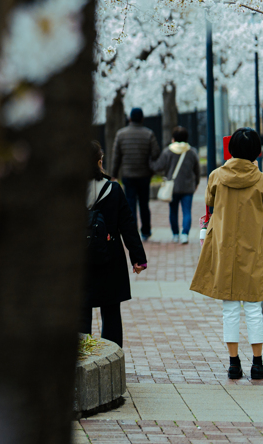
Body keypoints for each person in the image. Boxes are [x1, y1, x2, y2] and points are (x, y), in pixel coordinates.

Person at [190, 127, 263, 380]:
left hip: (224, 250)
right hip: (252, 252)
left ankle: (233, 364)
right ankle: (258, 364)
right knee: (252, 309)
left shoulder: (217, 176)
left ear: (231, 150)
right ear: (257, 153)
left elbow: (210, 200)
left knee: (229, 309)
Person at [83, 141, 148, 348]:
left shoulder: (67, 193)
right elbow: (128, 226)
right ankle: (111, 359)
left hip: (79, 260)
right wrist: (138, 259)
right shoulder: (114, 190)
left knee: (79, 312)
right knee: (110, 313)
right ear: (100, 161)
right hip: (110, 259)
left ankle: (79, 362)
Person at [111, 107, 160, 241]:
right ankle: (146, 231)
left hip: (128, 175)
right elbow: (156, 153)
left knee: (130, 204)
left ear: (130, 118)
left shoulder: (121, 134)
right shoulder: (148, 134)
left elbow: (116, 157)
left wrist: (113, 174)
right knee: (144, 204)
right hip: (144, 175)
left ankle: (132, 232)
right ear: (142, 119)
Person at [152, 126, 201, 244]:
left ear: (173, 139)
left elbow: (158, 167)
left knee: (173, 211)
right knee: (187, 211)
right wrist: (196, 183)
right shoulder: (191, 152)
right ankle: (185, 234)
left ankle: (175, 234)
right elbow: (197, 170)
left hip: (172, 188)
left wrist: (149, 162)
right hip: (188, 187)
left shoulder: (168, 151)